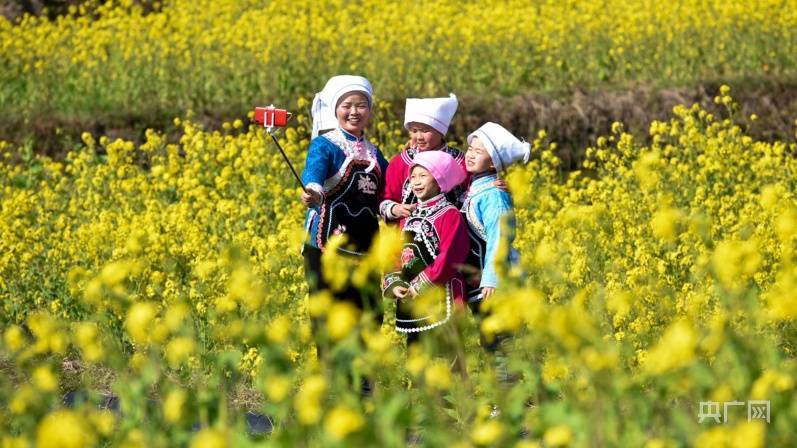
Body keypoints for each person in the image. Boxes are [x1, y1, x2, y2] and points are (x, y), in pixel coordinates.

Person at [300, 75, 389, 320]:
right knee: (328, 317)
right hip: (326, 243)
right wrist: (314, 191)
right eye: (346, 105)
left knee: (369, 316)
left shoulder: (374, 153)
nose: (354, 112)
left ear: (369, 110)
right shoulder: (324, 145)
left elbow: (388, 189)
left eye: (361, 105)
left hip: (365, 245)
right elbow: (314, 171)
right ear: (335, 109)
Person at [382, 151, 469, 342]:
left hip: (442, 297)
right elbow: (397, 252)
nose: (416, 182)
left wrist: (420, 285)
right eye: (412, 177)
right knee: (416, 357)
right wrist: (396, 283)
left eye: (423, 175)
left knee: (447, 361)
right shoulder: (408, 216)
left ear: (439, 180)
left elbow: (450, 256)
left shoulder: (450, 215)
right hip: (411, 299)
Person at [460, 122, 529, 307]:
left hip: (493, 285)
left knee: (500, 335)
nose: (471, 154)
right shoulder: (475, 188)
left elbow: (500, 236)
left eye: (479, 152)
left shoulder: (495, 195)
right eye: (470, 149)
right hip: (478, 280)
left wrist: (492, 278)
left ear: (493, 163)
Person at [379, 94, 469, 224]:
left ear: (441, 131)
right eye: (414, 131)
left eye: (425, 131)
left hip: (450, 234)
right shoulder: (401, 162)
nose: (419, 137)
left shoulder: (459, 162)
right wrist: (394, 209)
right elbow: (385, 198)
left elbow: (473, 194)